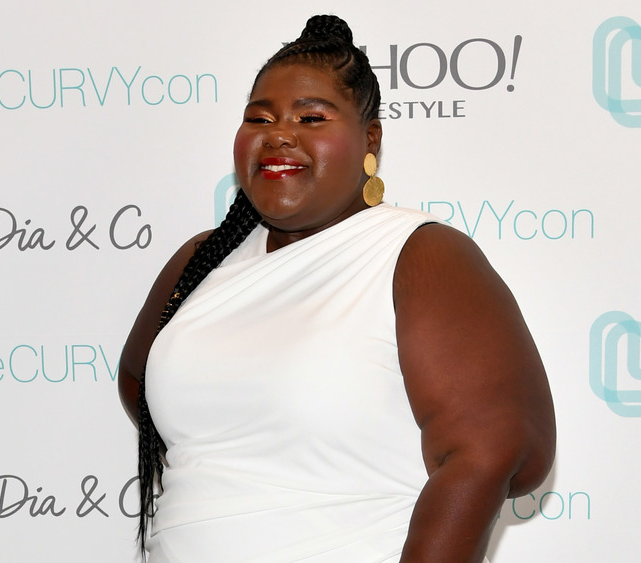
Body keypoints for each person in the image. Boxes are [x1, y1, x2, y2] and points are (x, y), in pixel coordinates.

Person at [118, 14, 555, 562]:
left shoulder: (418, 254)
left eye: (311, 117)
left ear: (369, 138)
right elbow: (139, 374)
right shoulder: (202, 258)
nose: (279, 133)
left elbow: (497, 448)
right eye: (260, 118)